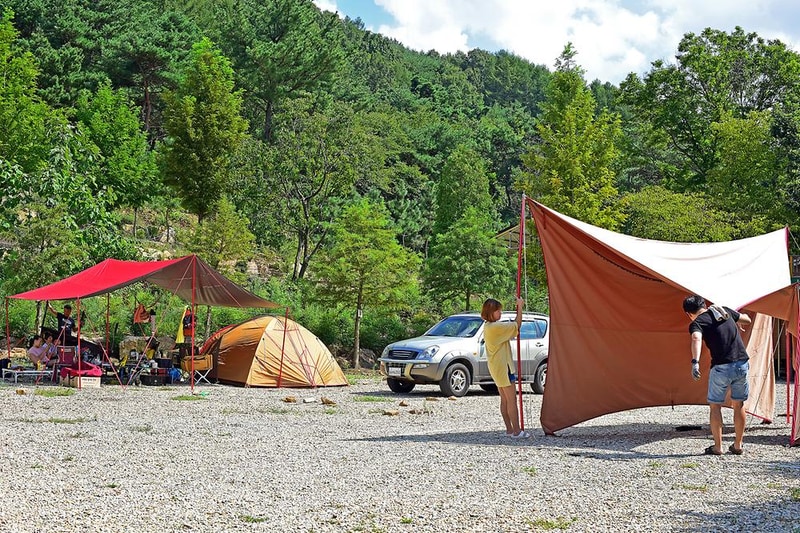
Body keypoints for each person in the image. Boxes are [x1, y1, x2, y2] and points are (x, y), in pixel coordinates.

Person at [682, 294, 752, 456]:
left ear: (688, 314)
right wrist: (734, 320)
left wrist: (695, 362)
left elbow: (695, 338)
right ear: (704, 305)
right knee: (739, 404)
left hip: (721, 367)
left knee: (715, 406)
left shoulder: (697, 323)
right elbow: (747, 319)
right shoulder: (724, 311)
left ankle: (718, 447)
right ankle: (738, 445)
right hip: (741, 363)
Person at [481, 296, 528, 439]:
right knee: (511, 400)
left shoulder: (488, 326)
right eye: (498, 311)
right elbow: (517, 325)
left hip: (496, 367)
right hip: (503, 367)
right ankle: (517, 431)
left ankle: (509, 429)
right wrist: (520, 307)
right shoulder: (495, 327)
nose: (500, 314)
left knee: (505, 399)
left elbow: (512, 326)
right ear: (491, 312)